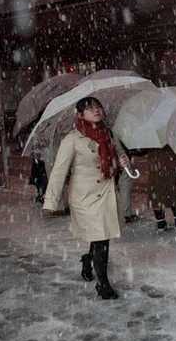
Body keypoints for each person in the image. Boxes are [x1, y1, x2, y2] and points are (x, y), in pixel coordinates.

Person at [42, 97, 130, 300]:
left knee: (102, 236)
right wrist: (51, 202)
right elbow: (58, 171)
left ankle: (88, 259)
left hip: (106, 193)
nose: (96, 110)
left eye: (98, 106)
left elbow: (117, 157)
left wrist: (122, 160)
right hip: (85, 197)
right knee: (101, 238)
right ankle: (103, 284)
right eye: (90, 108)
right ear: (80, 115)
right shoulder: (72, 139)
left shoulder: (108, 133)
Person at [144, 147, 176, 230]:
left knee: (157, 193)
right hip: (172, 161)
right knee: (175, 192)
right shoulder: (173, 135)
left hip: (155, 164)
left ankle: (160, 222)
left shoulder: (149, 136)